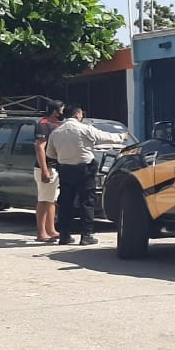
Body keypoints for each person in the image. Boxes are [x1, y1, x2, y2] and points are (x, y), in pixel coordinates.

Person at [46, 103, 129, 245]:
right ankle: (86, 235)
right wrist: (122, 136)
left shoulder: (56, 132)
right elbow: (104, 136)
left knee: (65, 203)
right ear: (77, 114)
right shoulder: (84, 129)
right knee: (87, 202)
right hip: (85, 170)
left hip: (65, 170)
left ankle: (64, 235)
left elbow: (50, 154)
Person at [33, 100, 65, 243]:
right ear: (55, 112)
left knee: (51, 200)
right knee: (44, 200)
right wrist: (44, 170)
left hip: (55, 167)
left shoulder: (57, 125)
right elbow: (40, 148)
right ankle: (41, 233)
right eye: (62, 110)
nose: (63, 113)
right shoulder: (43, 125)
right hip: (46, 168)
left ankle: (51, 230)